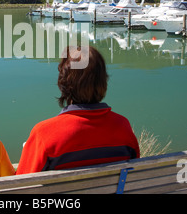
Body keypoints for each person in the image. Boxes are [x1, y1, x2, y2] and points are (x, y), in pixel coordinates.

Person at [16, 46, 140, 174]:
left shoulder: (44, 134)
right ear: (103, 81)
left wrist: (29, 149)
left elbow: (21, 183)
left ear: (64, 83)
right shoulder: (123, 126)